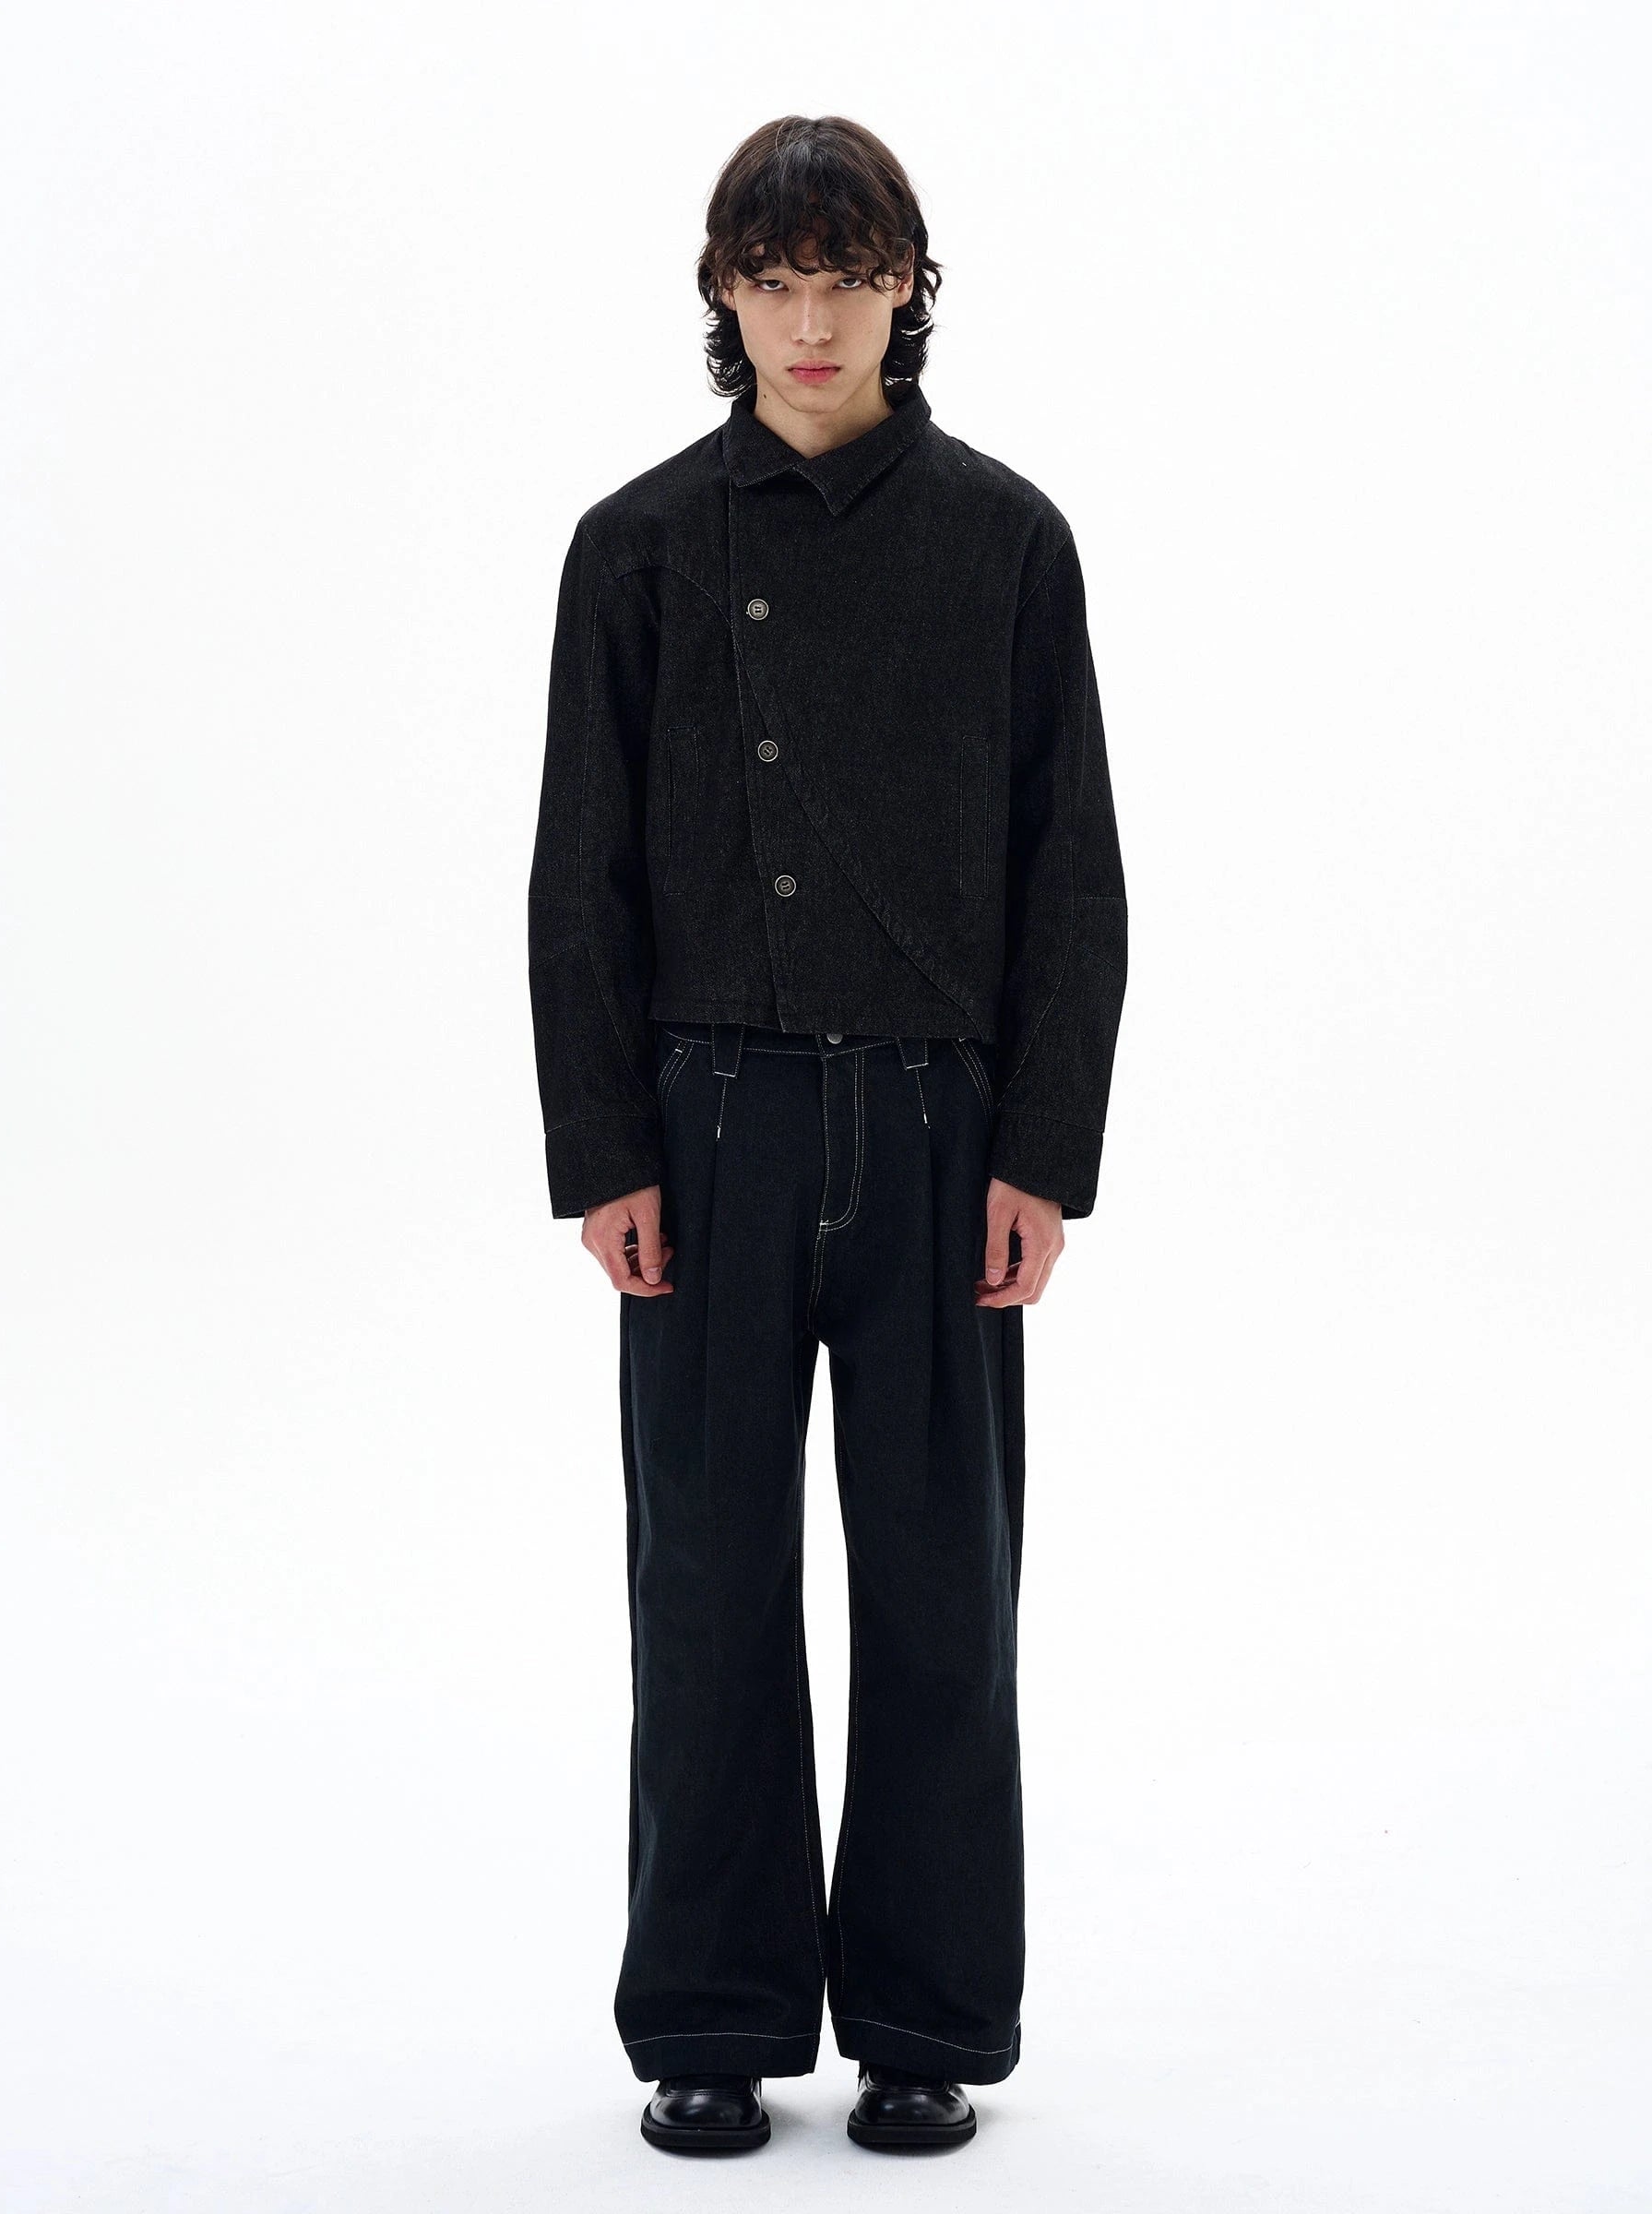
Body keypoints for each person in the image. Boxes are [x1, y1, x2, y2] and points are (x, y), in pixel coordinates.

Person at [526, 113, 1127, 2156]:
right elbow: (579, 871)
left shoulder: (1006, 538)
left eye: (848, 277)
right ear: (723, 292)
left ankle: (928, 2022)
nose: (811, 319)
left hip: (945, 1135)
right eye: (774, 279)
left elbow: (1071, 864)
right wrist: (606, 1149)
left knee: (944, 1588)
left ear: (908, 289)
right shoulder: (635, 546)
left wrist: (1043, 1149)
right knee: (704, 1586)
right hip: (703, 1132)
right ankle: (709, 2018)